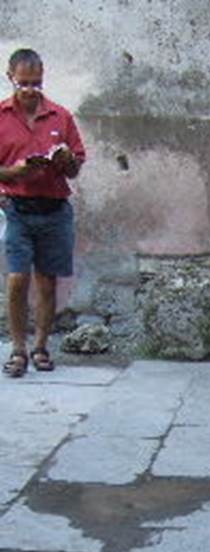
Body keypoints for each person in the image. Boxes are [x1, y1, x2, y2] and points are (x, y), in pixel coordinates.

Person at [0, 48, 86, 377]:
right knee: (18, 279)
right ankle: (18, 349)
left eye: (36, 83)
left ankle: (40, 347)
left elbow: (76, 168)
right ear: (10, 78)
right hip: (17, 207)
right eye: (24, 83)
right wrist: (15, 172)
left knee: (47, 283)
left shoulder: (61, 117)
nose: (30, 90)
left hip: (54, 208)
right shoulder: (1, 116)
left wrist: (67, 162)